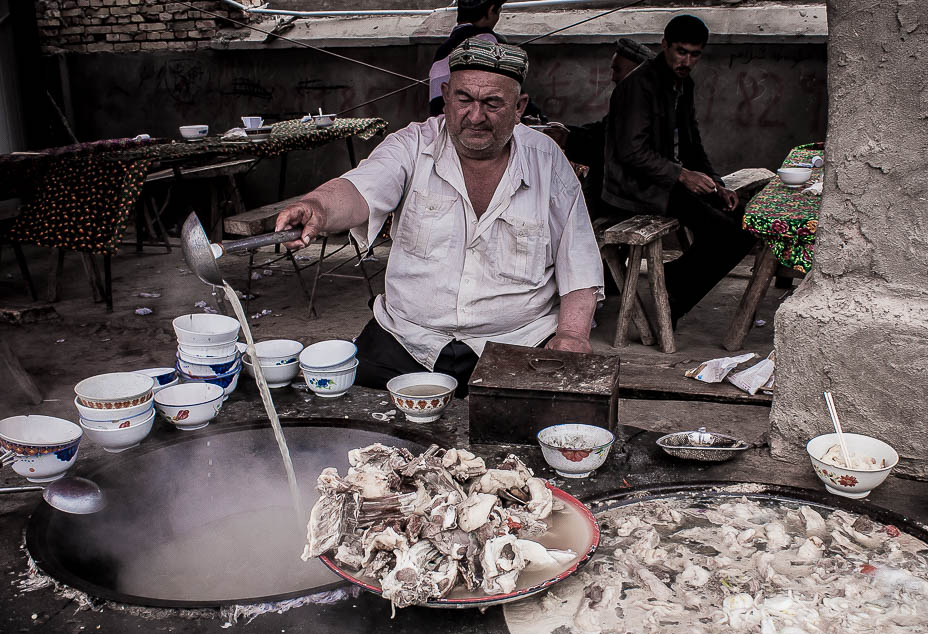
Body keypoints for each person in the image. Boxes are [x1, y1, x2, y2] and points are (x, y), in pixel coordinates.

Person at [275, 39, 604, 395]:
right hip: (408, 338)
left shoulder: (547, 161)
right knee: (351, 416)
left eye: (493, 103)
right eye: (464, 100)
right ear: (446, 95)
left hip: (517, 342)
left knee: (540, 430)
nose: (476, 116)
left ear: (519, 106)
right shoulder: (411, 145)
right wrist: (319, 207)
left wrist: (571, 335)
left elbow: (579, 262)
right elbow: (359, 189)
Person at [602, 15, 756, 326]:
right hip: (633, 188)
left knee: (744, 219)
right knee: (725, 234)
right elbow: (630, 153)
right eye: (681, 51)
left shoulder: (683, 84)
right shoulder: (638, 86)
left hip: (665, 182)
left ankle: (675, 278)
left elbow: (692, 145)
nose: (687, 60)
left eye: (695, 54)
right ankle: (672, 303)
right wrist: (682, 175)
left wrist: (717, 184)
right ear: (664, 45)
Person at [558, 38, 653, 208]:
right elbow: (601, 131)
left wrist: (568, 139)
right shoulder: (630, 102)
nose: (613, 78)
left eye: (618, 70)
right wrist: (565, 132)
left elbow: (607, 148)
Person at [427, 0, 506, 117]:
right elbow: (510, 90)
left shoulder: (442, 51)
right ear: (490, 11)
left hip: (440, 127)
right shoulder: (490, 42)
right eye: (499, 11)